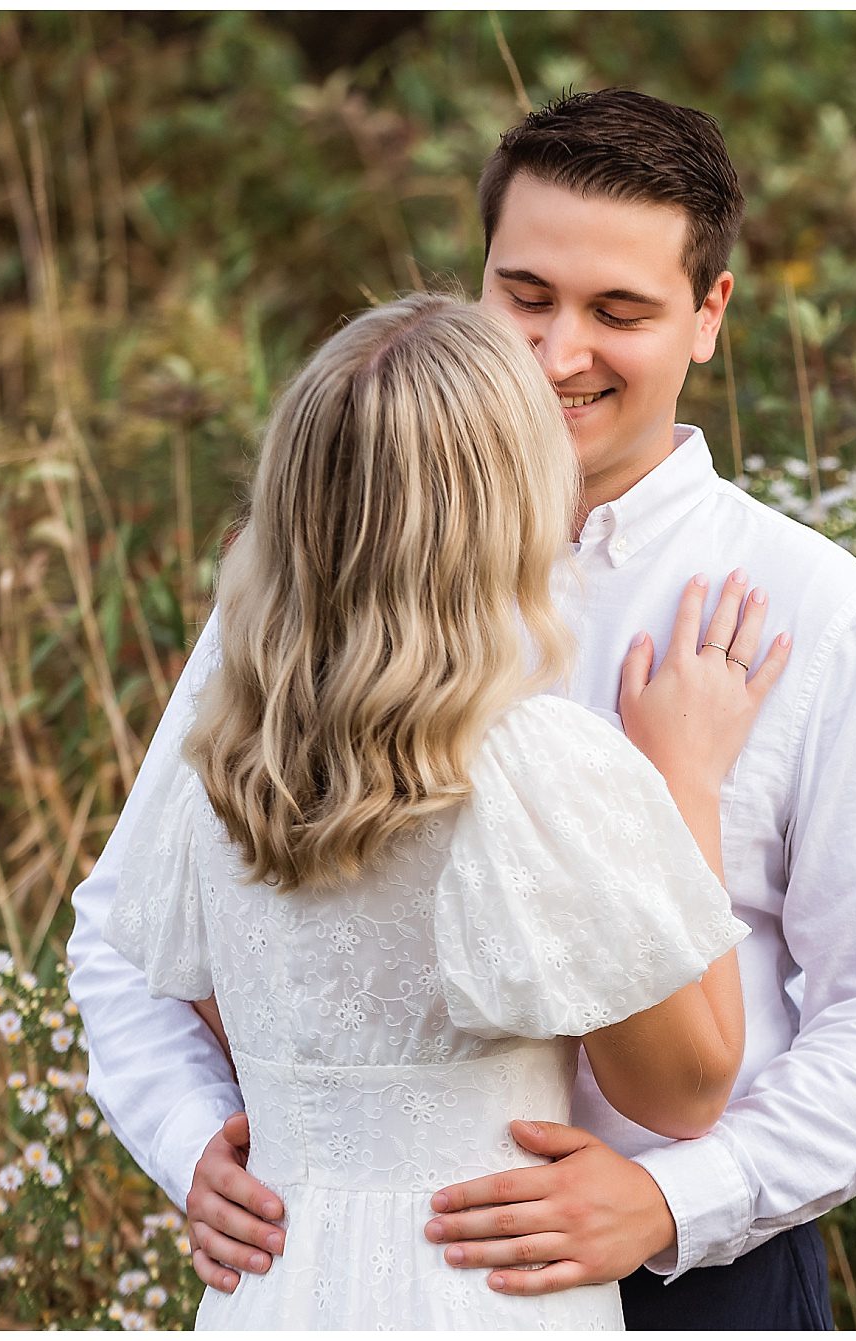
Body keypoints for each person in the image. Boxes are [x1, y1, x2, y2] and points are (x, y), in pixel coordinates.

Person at [68, 88, 856, 1330]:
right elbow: (128, 934)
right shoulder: (298, 592)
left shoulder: (821, 612)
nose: (557, 354)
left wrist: (673, 1201)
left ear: (709, 316)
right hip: (355, 1271)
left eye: (618, 313)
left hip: (712, 1278)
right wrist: (194, 1146)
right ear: (477, 277)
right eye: (526, 295)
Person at [98, 293, 788, 1328]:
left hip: (274, 1288)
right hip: (481, 1291)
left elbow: (210, 1004)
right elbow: (684, 1092)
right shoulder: (535, 764)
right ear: (510, 501)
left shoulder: (226, 757)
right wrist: (680, 777)